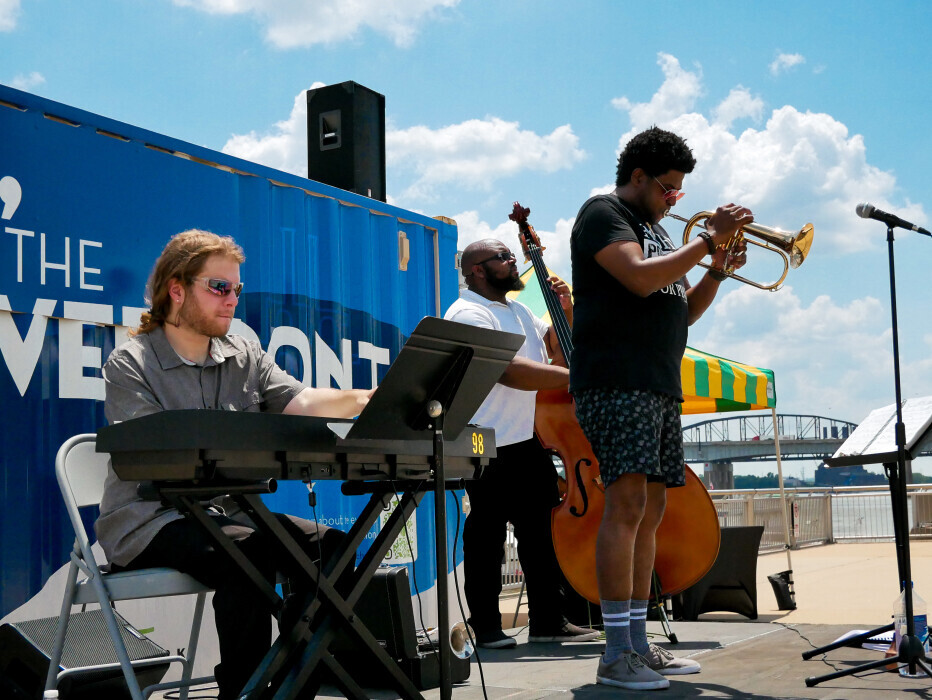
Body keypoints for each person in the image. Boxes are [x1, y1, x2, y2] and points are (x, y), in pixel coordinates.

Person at [95, 229, 373, 700]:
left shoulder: (244, 354)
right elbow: (152, 454)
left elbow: (299, 399)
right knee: (249, 555)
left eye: (236, 289)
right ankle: (244, 691)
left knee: (334, 548)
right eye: (219, 287)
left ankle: (286, 680)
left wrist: (367, 399)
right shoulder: (131, 362)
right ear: (177, 290)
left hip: (229, 516)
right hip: (149, 521)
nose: (232, 300)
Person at [569, 126, 750, 690]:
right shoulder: (604, 214)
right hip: (616, 382)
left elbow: (682, 311)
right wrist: (706, 242)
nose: (676, 200)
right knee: (624, 507)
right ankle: (616, 651)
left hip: (657, 385)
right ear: (638, 177)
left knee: (649, 512)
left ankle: (640, 642)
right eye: (668, 189)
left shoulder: (656, 231)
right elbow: (641, 279)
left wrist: (717, 269)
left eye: (679, 191)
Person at [444, 239, 600, 649]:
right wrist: (578, 377)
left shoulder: (520, 310)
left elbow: (554, 350)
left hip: (524, 438)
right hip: (482, 439)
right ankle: (487, 626)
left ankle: (549, 620)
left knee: (540, 535)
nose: (513, 262)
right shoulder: (468, 312)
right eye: (503, 257)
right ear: (477, 269)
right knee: (487, 539)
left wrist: (565, 311)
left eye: (512, 256)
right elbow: (508, 372)